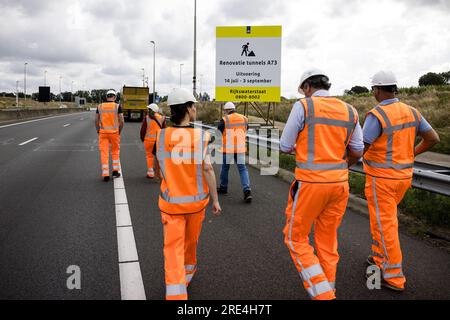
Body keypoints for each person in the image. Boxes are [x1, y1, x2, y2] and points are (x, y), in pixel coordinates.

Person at [280, 68, 364, 300]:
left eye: (303, 90)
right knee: (327, 240)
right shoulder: (350, 110)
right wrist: (341, 165)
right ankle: (329, 286)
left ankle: (324, 294)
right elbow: (358, 150)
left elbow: (285, 145)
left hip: (310, 185)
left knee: (295, 238)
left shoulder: (304, 106)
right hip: (339, 185)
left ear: (307, 86)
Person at [363, 71, 440, 292]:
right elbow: (433, 138)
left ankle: (393, 277)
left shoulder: (377, 115)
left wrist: (343, 163)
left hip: (382, 180)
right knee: (382, 222)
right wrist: (410, 154)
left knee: (385, 226)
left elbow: (362, 147)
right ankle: (379, 259)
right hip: (403, 178)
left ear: (376, 90)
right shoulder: (412, 112)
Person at [153, 88, 222, 300]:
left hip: (171, 204)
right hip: (196, 205)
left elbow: (157, 166)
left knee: (173, 249)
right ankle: (188, 275)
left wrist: (163, 178)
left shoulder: (162, 135)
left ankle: (176, 294)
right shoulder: (201, 137)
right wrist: (216, 200)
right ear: (189, 109)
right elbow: (208, 169)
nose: (196, 109)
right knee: (191, 244)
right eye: (195, 106)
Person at [217, 102, 253, 203]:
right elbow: (247, 128)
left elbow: (219, 132)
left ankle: (223, 187)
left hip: (228, 149)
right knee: (242, 169)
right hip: (240, 148)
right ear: (234, 109)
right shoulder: (244, 118)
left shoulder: (225, 119)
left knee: (225, 168)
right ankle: (247, 191)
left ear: (226, 110)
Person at [95, 89, 124, 181]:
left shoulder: (100, 106)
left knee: (104, 153)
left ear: (106, 97)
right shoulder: (117, 106)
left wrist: (98, 130)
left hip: (103, 133)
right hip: (114, 133)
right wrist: (119, 130)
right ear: (114, 97)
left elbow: (96, 120)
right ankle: (115, 171)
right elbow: (122, 120)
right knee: (115, 151)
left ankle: (105, 174)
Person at [140, 103, 166, 178]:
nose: (148, 110)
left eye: (149, 109)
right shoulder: (161, 118)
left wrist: (142, 138)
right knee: (159, 157)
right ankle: (160, 173)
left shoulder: (147, 118)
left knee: (149, 156)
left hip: (148, 141)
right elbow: (164, 130)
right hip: (159, 141)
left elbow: (143, 130)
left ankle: (150, 173)